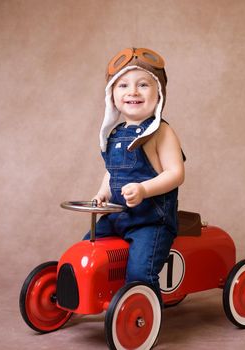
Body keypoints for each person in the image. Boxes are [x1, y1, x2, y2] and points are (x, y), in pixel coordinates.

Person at [84, 47, 184, 298]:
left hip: (150, 221)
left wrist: (144, 189)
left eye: (143, 85)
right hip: (118, 217)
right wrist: (101, 194)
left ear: (158, 94)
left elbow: (175, 174)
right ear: (112, 97)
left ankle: (143, 314)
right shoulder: (116, 134)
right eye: (123, 86)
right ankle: (83, 295)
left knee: (140, 271)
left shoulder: (161, 132)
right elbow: (112, 172)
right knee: (87, 249)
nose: (133, 92)